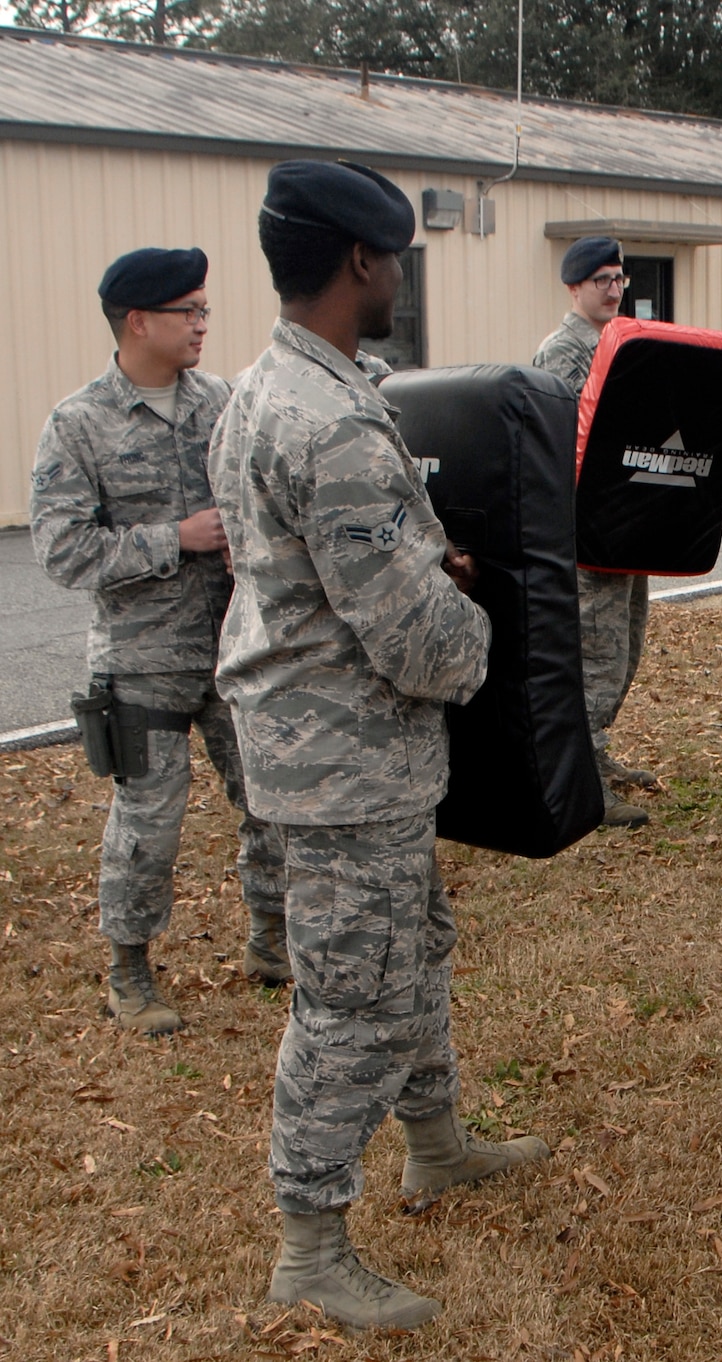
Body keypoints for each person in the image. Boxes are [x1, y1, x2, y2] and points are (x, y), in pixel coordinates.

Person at [210, 159, 548, 1327]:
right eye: (395, 257)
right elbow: (420, 647)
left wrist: (424, 568)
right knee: (352, 996)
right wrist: (495, 630)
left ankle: (437, 1144)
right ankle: (308, 1246)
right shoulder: (334, 421)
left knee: (417, 949)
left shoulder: (268, 389)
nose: (400, 276)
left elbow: (325, 572)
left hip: (338, 749)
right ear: (360, 261)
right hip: (343, 761)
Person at [29, 247, 288, 1036]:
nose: (203, 325)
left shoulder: (223, 405)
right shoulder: (79, 424)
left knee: (269, 801)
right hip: (142, 665)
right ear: (139, 321)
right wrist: (172, 538)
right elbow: (63, 550)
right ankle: (131, 970)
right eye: (189, 313)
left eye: (206, 310)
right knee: (149, 823)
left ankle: (271, 941)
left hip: (236, 649)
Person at [531, 235, 653, 829]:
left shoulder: (624, 341)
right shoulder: (563, 353)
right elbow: (563, 442)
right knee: (597, 656)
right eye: (600, 280)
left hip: (626, 521)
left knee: (625, 645)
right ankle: (581, 784)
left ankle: (597, 755)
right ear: (573, 287)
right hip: (588, 527)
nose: (612, 289)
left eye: (618, 278)